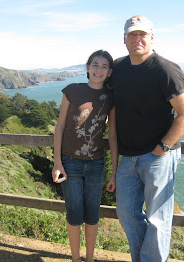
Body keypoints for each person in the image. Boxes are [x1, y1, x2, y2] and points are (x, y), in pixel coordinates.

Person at [110, 15, 184, 262]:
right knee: (126, 213)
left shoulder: (165, 69)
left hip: (158, 156)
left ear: (151, 37)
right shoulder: (118, 69)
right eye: (132, 34)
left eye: (142, 34)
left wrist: (163, 147)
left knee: (158, 218)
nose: (137, 39)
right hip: (128, 156)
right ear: (124, 39)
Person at [52, 50, 118, 262]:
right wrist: (57, 163)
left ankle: (89, 259)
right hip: (69, 162)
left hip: (96, 164)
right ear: (87, 67)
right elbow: (60, 126)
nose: (99, 70)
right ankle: (75, 259)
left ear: (109, 72)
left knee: (92, 215)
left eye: (104, 66)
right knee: (73, 214)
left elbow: (113, 137)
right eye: (95, 65)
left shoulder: (110, 97)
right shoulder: (72, 90)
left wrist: (114, 172)